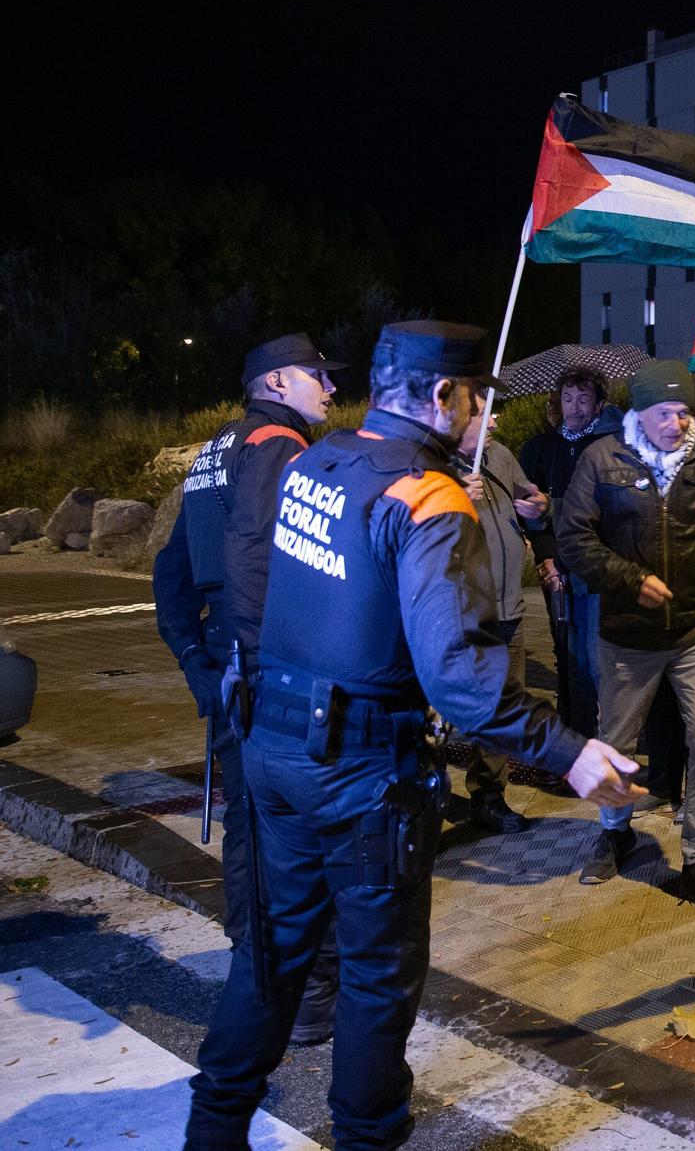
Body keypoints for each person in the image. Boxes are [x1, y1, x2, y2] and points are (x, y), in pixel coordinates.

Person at [184, 320, 639, 1151]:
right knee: (373, 981)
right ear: (442, 395)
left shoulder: (312, 463)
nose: (484, 419)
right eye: (478, 401)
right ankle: (368, 1137)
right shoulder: (429, 498)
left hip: (275, 753)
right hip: (363, 779)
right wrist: (570, 752)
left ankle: (211, 1129)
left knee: (272, 958)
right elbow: (460, 682)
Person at [153, 331, 347, 1047]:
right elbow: (255, 559)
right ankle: (306, 993)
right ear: (273, 383)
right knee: (296, 835)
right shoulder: (276, 446)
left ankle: (259, 979)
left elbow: (170, 571)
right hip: (267, 664)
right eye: (314, 375)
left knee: (251, 835)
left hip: (229, 659)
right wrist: (266, 668)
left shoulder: (213, 452)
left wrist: (199, 664)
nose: (328, 387)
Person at [558, 360, 695, 910]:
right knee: (617, 745)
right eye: (664, 413)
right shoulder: (601, 460)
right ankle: (615, 832)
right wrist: (631, 580)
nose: (678, 424)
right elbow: (575, 539)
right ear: (638, 413)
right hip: (627, 636)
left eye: (684, 412)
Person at [447, 389, 553, 835]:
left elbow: (531, 509)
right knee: (444, 712)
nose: (495, 424)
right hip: (461, 618)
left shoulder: (500, 456)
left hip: (509, 606)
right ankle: (422, 796)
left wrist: (540, 508)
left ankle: (489, 796)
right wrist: (452, 499)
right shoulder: (429, 467)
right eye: (484, 416)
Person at [518, 367, 623, 736]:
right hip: (559, 569)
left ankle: (609, 739)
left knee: (596, 661)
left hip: (597, 569)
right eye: (567, 399)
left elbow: (610, 510)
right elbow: (532, 511)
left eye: (583, 399)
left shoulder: (615, 447)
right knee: (568, 657)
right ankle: (578, 739)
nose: (574, 408)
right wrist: (546, 556)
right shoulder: (545, 448)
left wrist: (555, 508)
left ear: (598, 405)